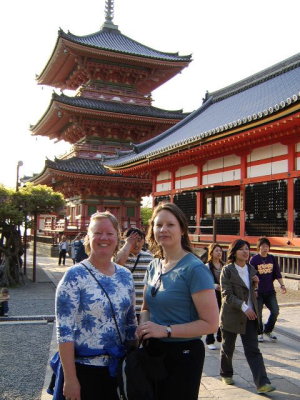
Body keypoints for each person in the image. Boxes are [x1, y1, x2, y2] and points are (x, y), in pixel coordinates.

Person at [136, 202, 219, 400]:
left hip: (184, 353)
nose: (163, 229)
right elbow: (146, 306)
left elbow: (211, 323)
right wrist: (144, 330)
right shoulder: (154, 265)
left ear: (182, 229)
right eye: (158, 225)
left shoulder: (194, 269)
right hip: (154, 349)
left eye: (170, 225)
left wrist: (166, 330)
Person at [52, 211, 137, 400]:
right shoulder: (74, 276)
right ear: (88, 237)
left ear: (117, 237)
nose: (103, 238)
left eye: (109, 233)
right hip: (84, 370)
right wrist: (71, 379)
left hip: (117, 367)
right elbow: (64, 331)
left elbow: (130, 323)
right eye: (97, 233)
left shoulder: (125, 276)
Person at [219, 239, 275, 394]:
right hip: (232, 315)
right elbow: (226, 295)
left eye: (247, 249)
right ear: (234, 251)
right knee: (227, 348)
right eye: (241, 249)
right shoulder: (228, 270)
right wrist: (244, 307)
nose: (245, 252)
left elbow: (253, 293)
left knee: (253, 350)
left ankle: (262, 383)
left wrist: (255, 285)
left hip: (250, 316)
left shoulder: (251, 269)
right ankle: (226, 373)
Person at [250, 237, 287, 343]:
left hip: (270, 290)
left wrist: (282, 285)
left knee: (275, 311)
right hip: (258, 292)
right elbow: (251, 275)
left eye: (267, 246)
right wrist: (254, 289)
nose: (265, 248)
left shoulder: (272, 258)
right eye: (263, 246)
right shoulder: (254, 259)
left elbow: (277, 273)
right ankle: (259, 332)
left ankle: (268, 330)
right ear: (258, 247)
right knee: (259, 313)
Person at [115, 227, 153, 316]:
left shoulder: (150, 258)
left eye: (139, 240)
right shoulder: (120, 255)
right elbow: (117, 264)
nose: (136, 244)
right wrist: (128, 244)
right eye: (132, 240)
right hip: (124, 308)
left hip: (144, 309)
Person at [205, 243, 224, 350]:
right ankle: (210, 339)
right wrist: (214, 285)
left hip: (223, 294)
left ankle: (220, 336)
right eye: (217, 251)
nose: (219, 253)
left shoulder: (224, 265)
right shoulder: (207, 266)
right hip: (212, 294)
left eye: (220, 251)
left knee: (223, 316)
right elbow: (203, 281)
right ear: (211, 252)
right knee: (212, 316)